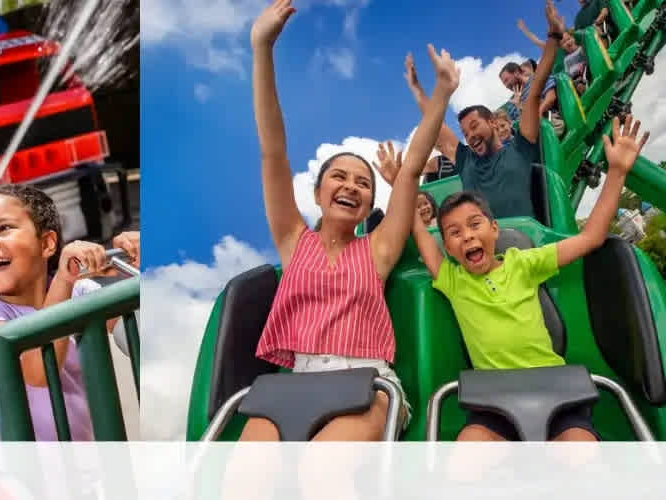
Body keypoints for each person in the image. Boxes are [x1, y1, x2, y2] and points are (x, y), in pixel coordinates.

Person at [238, 0, 460, 442]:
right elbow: (273, 149)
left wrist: (442, 94)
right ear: (319, 193)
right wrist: (261, 47)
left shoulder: (377, 249)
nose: (352, 186)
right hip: (296, 383)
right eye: (339, 177)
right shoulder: (292, 238)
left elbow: (413, 168)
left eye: (363, 183)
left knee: (326, 475)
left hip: (365, 382)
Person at [411, 115, 650, 441]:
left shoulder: (523, 262)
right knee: (466, 455)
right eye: (454, 232)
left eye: (475, 224)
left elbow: (591, 238)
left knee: (581, 453)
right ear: (448, 247)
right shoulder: (452, 280)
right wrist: (405, 182)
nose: (466, 236)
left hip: (553, 385)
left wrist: (618, 172)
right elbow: (419, 233)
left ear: (494, 229)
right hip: (492, 399)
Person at [0, 183, 139, 441]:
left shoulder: (81, 292)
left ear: (47, 243)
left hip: (86, 467)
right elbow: (38, 372)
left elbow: (140, 341)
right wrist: (64, 280)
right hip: (19, 475)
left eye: (3, 228)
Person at [405, 0, 565, 220]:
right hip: (482, 247)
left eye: (474, 126)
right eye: (465, 133)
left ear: (491, 122)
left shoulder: (520, 147)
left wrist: (555, 36)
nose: (470, 136)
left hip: (525, 245)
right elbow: (437, 126)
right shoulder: (466, 161)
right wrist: (416, 89)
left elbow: (536, 90)